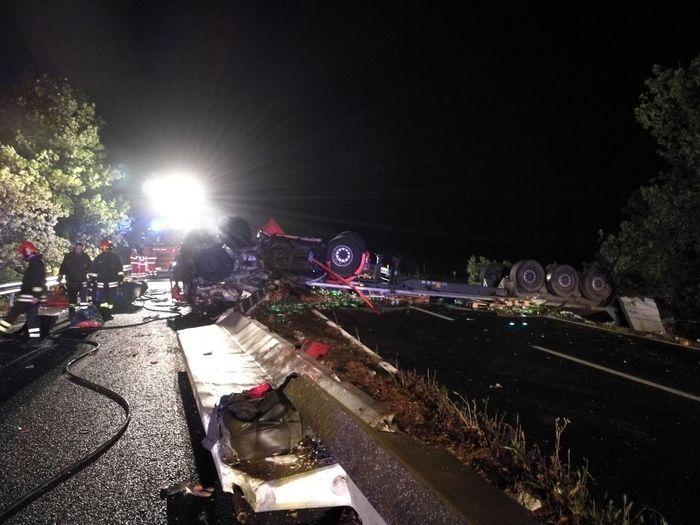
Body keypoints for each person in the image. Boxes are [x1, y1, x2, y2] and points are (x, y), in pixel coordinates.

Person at [0, 241, 47, 348]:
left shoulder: (36, 264)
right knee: (32, 319)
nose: (23, 255)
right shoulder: (36, 262)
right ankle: (34, 342)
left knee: (11, 316)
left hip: (28, 297)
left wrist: (36, 295)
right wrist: (37, 296)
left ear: (28, 250)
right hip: (31, 297)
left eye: (23, 252)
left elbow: (39, 281)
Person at [89, 239, 124, 319]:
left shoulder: (115, 257)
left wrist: (120, 279)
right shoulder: (99, 258)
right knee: (103, 300)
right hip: (101, 283)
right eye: (103, 248)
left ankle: (109, 313)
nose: (104, 249)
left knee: (111, 299)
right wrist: (93, 280)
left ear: (110, 248)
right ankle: (105, 314)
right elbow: (94, 270)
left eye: (106, 248)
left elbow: (120, 269)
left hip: (112, 283)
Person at [58, 241, 92, 315]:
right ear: (75, 248)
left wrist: (91, 278)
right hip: (71, 281)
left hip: (82, 280)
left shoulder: (85, 257)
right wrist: (60, 277)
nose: (79, 250)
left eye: (80, 248)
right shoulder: (68, 256)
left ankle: (84, 313)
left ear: (82, 248)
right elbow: (63, 267)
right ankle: (72, 313)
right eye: (77, 248)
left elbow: (90, 267)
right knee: (72, 298)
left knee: (83, 298)